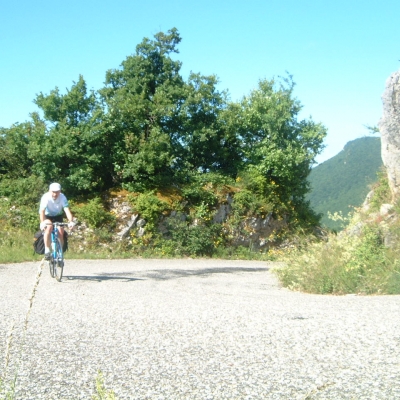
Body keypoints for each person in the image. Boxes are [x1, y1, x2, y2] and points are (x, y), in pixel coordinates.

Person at [39, 182, 75, 259]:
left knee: (60, 231)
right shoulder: (45, 197)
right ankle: (47, 250)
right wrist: (42, 222)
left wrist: (71, 221)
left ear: (60, 191)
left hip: (58, 216)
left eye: (57, 192)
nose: (55, 194)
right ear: (49, 191)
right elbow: (42, 211)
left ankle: (60, 252)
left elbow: (67, 210)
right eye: (53, 192)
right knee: (49, 227)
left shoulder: (62, 197)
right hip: (47, 216)